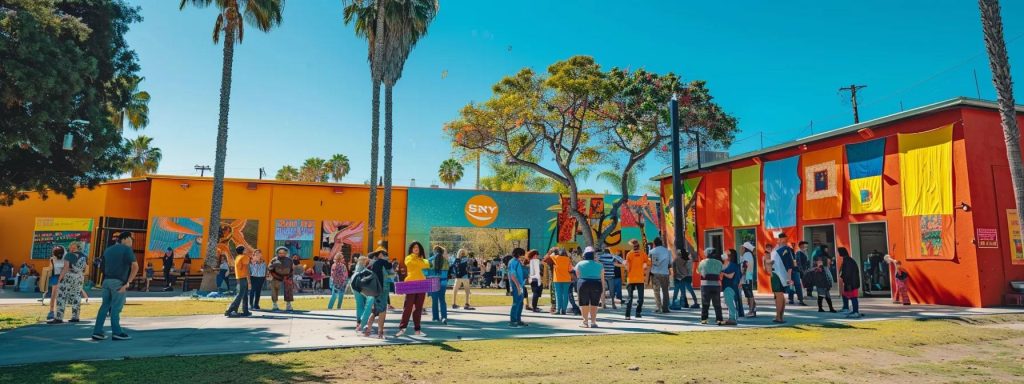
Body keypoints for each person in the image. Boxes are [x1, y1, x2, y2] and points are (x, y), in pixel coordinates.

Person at [92, 232, 139, 341]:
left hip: (106, 281)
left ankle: (97, 332)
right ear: (125, 238)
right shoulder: (127, 249)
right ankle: (117, 332)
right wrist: (128, 282)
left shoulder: (108, 250)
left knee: (104, 306)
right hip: (118, 282)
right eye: (131, 239)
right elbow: (135, 266)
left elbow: (101, 266)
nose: (132, 242)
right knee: (116, 308)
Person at [49, 242, 88, 324]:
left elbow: (66, 268)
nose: (70, 248)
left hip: (69, 277)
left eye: (71, 246)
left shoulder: (69, 255)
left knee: (61, 296)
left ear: (75, 247)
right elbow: (85, 268)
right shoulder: (84, 256)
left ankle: (59, 317)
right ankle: (75, 317)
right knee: (76, 296)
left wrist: (60, 278)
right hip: (79, 277)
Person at [397, 242, 429, 337]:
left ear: (420, 249)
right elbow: (411, 264)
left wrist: (421, 261)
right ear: (411, 249)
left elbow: (427, 265)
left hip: (422, 284)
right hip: (411, 284)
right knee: (408, 307)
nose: (416, 248)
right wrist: (420, 261)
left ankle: (417, 330)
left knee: (419, 308)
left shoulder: (423, 259)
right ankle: (402, 328)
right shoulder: (408, 258)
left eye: (417, 247)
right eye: (414, 247)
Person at [364, 249, 394, 338]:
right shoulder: (384, 263)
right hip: (383, 289)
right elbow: (392, 274)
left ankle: (368, 328)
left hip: (375, 289)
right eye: (385, 255)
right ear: (381, 255)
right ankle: (380, 332)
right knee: (382, 311)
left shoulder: (373, 264)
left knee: (375, 310)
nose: (387, 257)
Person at [575, 247, 606, 328]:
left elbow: (577, 275)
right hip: (596, 284)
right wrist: (603, 289)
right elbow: (602, 278)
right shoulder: (600, 265)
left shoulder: (580, 264)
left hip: (583, 283)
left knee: (584, 304)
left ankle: (585, 322)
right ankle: (593, 322)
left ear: (584, 255)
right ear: (593, 256)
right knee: (594, 304)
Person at [624, 239, 650, 320]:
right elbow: (648, 263)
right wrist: (645, 265)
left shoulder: (630, 254)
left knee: (630, 298)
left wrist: (625, 266)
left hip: (632, 279)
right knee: (640, 298)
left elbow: (627, 268)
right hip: (639, 279)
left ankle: (628, 315)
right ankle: (637, 313)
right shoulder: (642, 254)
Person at [697, 248, 724, 325]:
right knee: (717, 303)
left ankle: (704, 319)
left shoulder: (702, 262)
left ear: (706, 254)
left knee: (705, 303)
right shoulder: (719, 262)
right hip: (716, 285)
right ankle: (719, 319)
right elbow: (721, 273)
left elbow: (698, 271)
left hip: (705, 285)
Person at [769, 235, 791, 324]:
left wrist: (789, 277)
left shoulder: (784, 249)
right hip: (779, 274)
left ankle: (779, 317)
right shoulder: (778, 249)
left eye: (781, 238)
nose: (779, 240)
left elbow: (790, 264)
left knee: (779, 295)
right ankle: (780, 316)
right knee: (780, 295)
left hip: (777, 274)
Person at [225, 246, 252, 317]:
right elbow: (246, 269)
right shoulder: (244, 257)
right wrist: (249, 281)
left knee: (244, 295)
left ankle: (245, 311)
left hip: (240, 277)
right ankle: (230, 310)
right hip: (243, 278)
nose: (246, 250)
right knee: (240, 295)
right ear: (243, 251)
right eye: (245, 249)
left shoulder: (237, 257)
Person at [426, 246, 450, 324]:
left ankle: (435, 317)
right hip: (443, 281)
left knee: (435, 300)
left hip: (434, 281)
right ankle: (444, 317)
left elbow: (426, 269)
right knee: (442, 299)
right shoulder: (446, 261)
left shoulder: (431, 260)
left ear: (435, 251)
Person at [350, 256, 373, 334]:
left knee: (359, 305)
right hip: (362, 285)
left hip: (354, 284)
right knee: (367, 305)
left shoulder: (357, 267)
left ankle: (358, 323)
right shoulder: (366, 268)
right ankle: (363, 323)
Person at [648, 237, 672, 314]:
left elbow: (649, 263)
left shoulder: (651, 251)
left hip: (655, 274)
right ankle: (665, 308)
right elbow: (670, 264)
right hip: (665, 273)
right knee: (665, 291)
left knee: (656, 291)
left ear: (654, 244)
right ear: (662, 243)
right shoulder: (668, 251)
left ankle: (659, 308)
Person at [838, 247, 863, 318]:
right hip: (851, 282)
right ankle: (847, 308)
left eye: (838, 252)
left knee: (853, 297)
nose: (838, 253)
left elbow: (847, 273)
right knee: (845, 294)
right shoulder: (848, 260)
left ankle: (855, 312)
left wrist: (844, 278)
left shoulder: (847, 261)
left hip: (851, 282)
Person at [268, 247, 295, 312]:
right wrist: (274, 265)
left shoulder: (289, 260)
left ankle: (288, 305)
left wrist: (289, 276)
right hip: (276, 277)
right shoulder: (274, 260)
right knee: (274, 291)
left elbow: (292, 269)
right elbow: (269, 268)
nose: (282, 254)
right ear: (277, 253)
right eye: (280, 253)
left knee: (288, 291)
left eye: (283, 253)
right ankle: (275, 305)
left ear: (286, 253)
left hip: (287, 277)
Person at [507, 247, 528, 327]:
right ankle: (513, 321)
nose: (523, 256)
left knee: (520, 303)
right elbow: (512, 275)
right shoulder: (513, 262)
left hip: (520, 285)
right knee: (516, 302)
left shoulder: (517, 261)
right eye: (522, 254)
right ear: (519, 254)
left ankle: (518, 320)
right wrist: (518, 286)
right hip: (516, 285)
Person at [45, 246, 66, 320]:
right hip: (62, 276)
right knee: (61, 295)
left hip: (56, 276)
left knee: (54, 294)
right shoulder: (65, 258)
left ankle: (51, 311)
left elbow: (50, 268)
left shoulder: (52, 259)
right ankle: (58, 312)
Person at [549, 247, 573, 315]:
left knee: (558, 294)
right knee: (565, 294)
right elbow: (570, 269)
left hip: (557, 279)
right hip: (567, 279)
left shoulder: (556, 258)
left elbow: (550, 255)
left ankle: (558, 309)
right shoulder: (568, 259)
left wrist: (555, 251)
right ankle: (564, 310)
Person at [721, 249, 741, 325]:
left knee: (729, 302)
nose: (724, 254)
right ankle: (732, 317)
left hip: (730, 286)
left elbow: (731, 276)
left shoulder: (733, 265)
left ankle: (733, 318)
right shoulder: (724, 264)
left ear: (730, 256)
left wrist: (723, 273)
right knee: (728, 301)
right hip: (726, 286)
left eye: (726, 253)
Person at [784, 240, 806, 306]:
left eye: (793, 244)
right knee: (793, 285)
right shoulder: (789, 252)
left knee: (796, 285)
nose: (793, 246)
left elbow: (797, 262)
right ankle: (794, 299)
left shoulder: (795, 252)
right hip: (792, 270)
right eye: (791, 245)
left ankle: (798, 300)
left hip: (794, 270)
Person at [740, 242, 757, 317]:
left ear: (745, 248)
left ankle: (751, 310)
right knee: (749, 293)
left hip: (746, 276)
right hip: (748, 275)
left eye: (742, 247)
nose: (741, 249)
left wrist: (742, 274)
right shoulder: (749, 254)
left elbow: (745, 264)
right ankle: (753, 309)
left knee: (749, 294)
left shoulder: (747, 254)